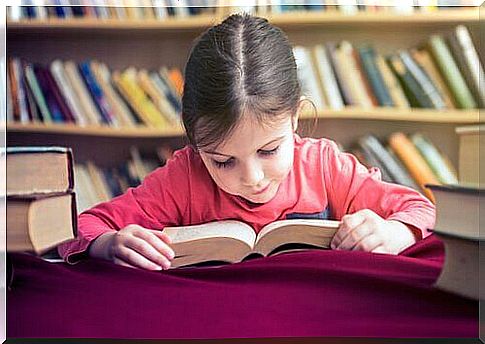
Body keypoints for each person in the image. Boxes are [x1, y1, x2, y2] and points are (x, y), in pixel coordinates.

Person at [58, 13, 435, 270]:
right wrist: (108, 244)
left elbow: (423, 210)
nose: (252, 177)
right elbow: (77, 227)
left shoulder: (324, 166)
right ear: (194, 143)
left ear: (295, 118)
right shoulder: (182, 178)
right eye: (222, 161)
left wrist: (391, 231)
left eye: (269, 150)